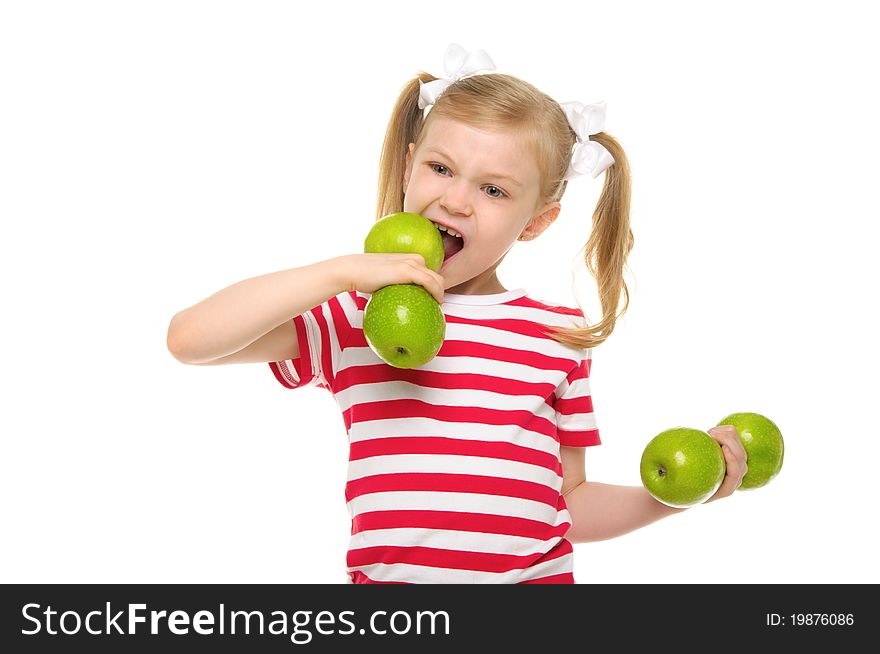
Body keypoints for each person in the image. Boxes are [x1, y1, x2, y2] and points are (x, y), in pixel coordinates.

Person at [167, 44, 748, 584]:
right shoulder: (353, 317)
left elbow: (569, 504)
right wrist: (340, 274)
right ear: (410, 166)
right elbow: (190, 338)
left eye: (494, 191)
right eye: (441, 170)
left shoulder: (556, 337)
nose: (455, 200)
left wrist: (677, 496)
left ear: (536, 221)